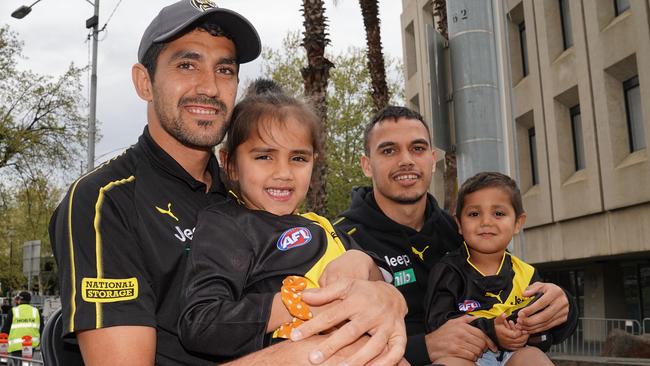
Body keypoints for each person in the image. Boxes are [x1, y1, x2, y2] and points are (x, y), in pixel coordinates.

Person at [49, 1, 407, 365]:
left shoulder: (255, 191)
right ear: (145, 82)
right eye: (187, 65)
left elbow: (341, 262)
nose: (209, 86)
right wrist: (304, 356)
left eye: (225, 69)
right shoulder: (105, 200)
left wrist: (377, 284)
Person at [334, 106, 577, 365]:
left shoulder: (461, 229)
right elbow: (328, 342)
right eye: (389, 150)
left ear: (432, 158)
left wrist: (563, 309)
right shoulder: (340, 239)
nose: (406, 160)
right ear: (366, 165)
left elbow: (510, 294)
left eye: (417, 148)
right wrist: (425, 346)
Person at [178, 84, 399, 363]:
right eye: (264, 157)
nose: (283, 173)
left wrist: (363, 263)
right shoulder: (228, 225)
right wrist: (303, 303)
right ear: (230, 163)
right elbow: (201, 323)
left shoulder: (321, 226)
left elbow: (388, 286)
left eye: (298, 158)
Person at [425, 172, 572, 365]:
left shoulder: (526, 273)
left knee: (534, 358)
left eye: (499, 213)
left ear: (518, 222)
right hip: (466, 353)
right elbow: (437, 324)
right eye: (474, 214)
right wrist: (491, 330)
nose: (486, 222)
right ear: (459, 224)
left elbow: (544, 326)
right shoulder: (447, 270)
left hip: (515, 353)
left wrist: (531, 331)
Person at [1, 292, 43, 365]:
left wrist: (3, 348)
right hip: (30, 344)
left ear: (20, 300)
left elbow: (5, 330)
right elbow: (42, 328)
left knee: (18, 363)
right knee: (26, 363)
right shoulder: (36, 311)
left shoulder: (13, 311)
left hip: (15, 345)